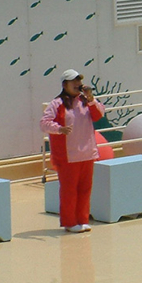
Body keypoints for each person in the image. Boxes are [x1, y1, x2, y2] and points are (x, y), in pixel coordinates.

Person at [40, 69, 105, 232]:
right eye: (73, 81)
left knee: (85, 188)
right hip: (68, 155)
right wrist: (59, 129)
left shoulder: (86, 100)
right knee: (69, 190)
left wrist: (91, 99)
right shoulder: (56, 104)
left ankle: (82, 219)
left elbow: (99, 114)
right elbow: (44, 122)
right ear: (65, 85)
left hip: (87, 152)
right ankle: (70, 222)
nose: (77, 84)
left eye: (79, 81)